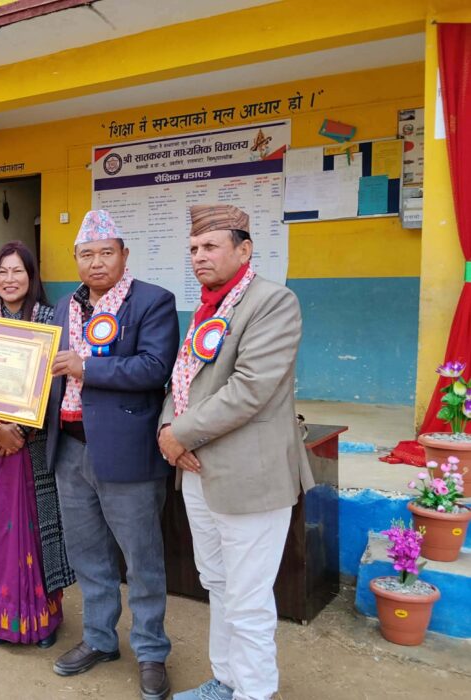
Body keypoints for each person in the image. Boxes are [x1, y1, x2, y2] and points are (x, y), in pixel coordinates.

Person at [159, 205, 313, 700]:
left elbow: (250, 389)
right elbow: (182, 380)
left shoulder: (273, 302)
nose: (198, 257)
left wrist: (180, 434)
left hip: (250, 476)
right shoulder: (207, 306)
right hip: (199, 471)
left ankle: (254, 692)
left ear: (244, 250)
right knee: (218, 583)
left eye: (210, 246)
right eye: (193, 249)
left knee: (247, 598)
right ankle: (225, 680)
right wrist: (167, 427)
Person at [47, 210, 179, 700]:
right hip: (70, 449)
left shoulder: (152, 301)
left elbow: (154, 368)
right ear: (75, 259)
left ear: (124, 255)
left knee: (142, 558)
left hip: (127, 451)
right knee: (87, 554)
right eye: (87, 254)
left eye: (106, 253)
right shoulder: (63, 307)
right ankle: (100, 638)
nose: (97, 262)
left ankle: (151, 651)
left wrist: (86, 367)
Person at [0, 241, 74, 649]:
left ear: (32, 276)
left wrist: (23, 430)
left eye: (18, 271)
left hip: (35, 446)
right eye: (2, 272)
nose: (9, 280)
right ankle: (2, 617)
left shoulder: (51, 320)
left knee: (39, 531)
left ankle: (43, 618)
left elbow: (59, 384)